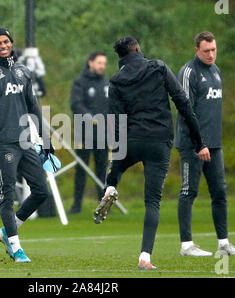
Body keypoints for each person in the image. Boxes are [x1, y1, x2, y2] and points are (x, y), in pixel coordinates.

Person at [94, 36, 210, 270]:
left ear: (119, 57)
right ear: (137, 49)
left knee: (116, 168)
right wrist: (199, 143)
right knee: (152, 202)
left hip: (132, 139)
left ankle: (110, 187)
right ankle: (145, 257)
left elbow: (115, 121)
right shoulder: (157, 67)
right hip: (159, 141)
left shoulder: (116, 81)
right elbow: (183, 103)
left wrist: (116, 152)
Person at [0, 27, 53, 263]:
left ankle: (6, 232)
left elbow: (33, 107)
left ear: (11, 43)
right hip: (2, 144)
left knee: (41, 191)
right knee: (7, 197)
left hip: (25, 142)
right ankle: (16, 248)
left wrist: (45, 139)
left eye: (6, 41)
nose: (3, 46)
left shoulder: (23, 71)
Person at [175, 31, 235, 257]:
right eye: (206, 51)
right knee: (188, 191)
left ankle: (223, 243)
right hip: (193, 145)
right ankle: (186, 245)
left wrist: (210, 143)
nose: (211, 54)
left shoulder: (216, 72)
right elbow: (186, 112)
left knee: (220, 192)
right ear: (196, 50)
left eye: (214, 49)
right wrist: (199, 144)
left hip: (214, 145)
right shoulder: (188, 73)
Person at [68, 51, 110, 214]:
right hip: (83, 133)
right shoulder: (80, 82)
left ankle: (102, 204)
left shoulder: (106, 83)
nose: (102, 67)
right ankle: (76, 204)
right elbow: (76, 104)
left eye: (104, 64)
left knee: (102, 169)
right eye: (99, 63)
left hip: (103, 134)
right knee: (82, 169)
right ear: (91, 63)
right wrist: (90, 118)